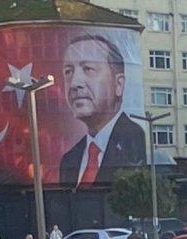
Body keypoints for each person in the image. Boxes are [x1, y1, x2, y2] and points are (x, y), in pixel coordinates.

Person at [58, 30, 149, 188]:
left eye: (88, 69)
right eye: (68, 72)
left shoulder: (134, 140)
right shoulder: (69, 159)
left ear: (118, 84)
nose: (74, 83)